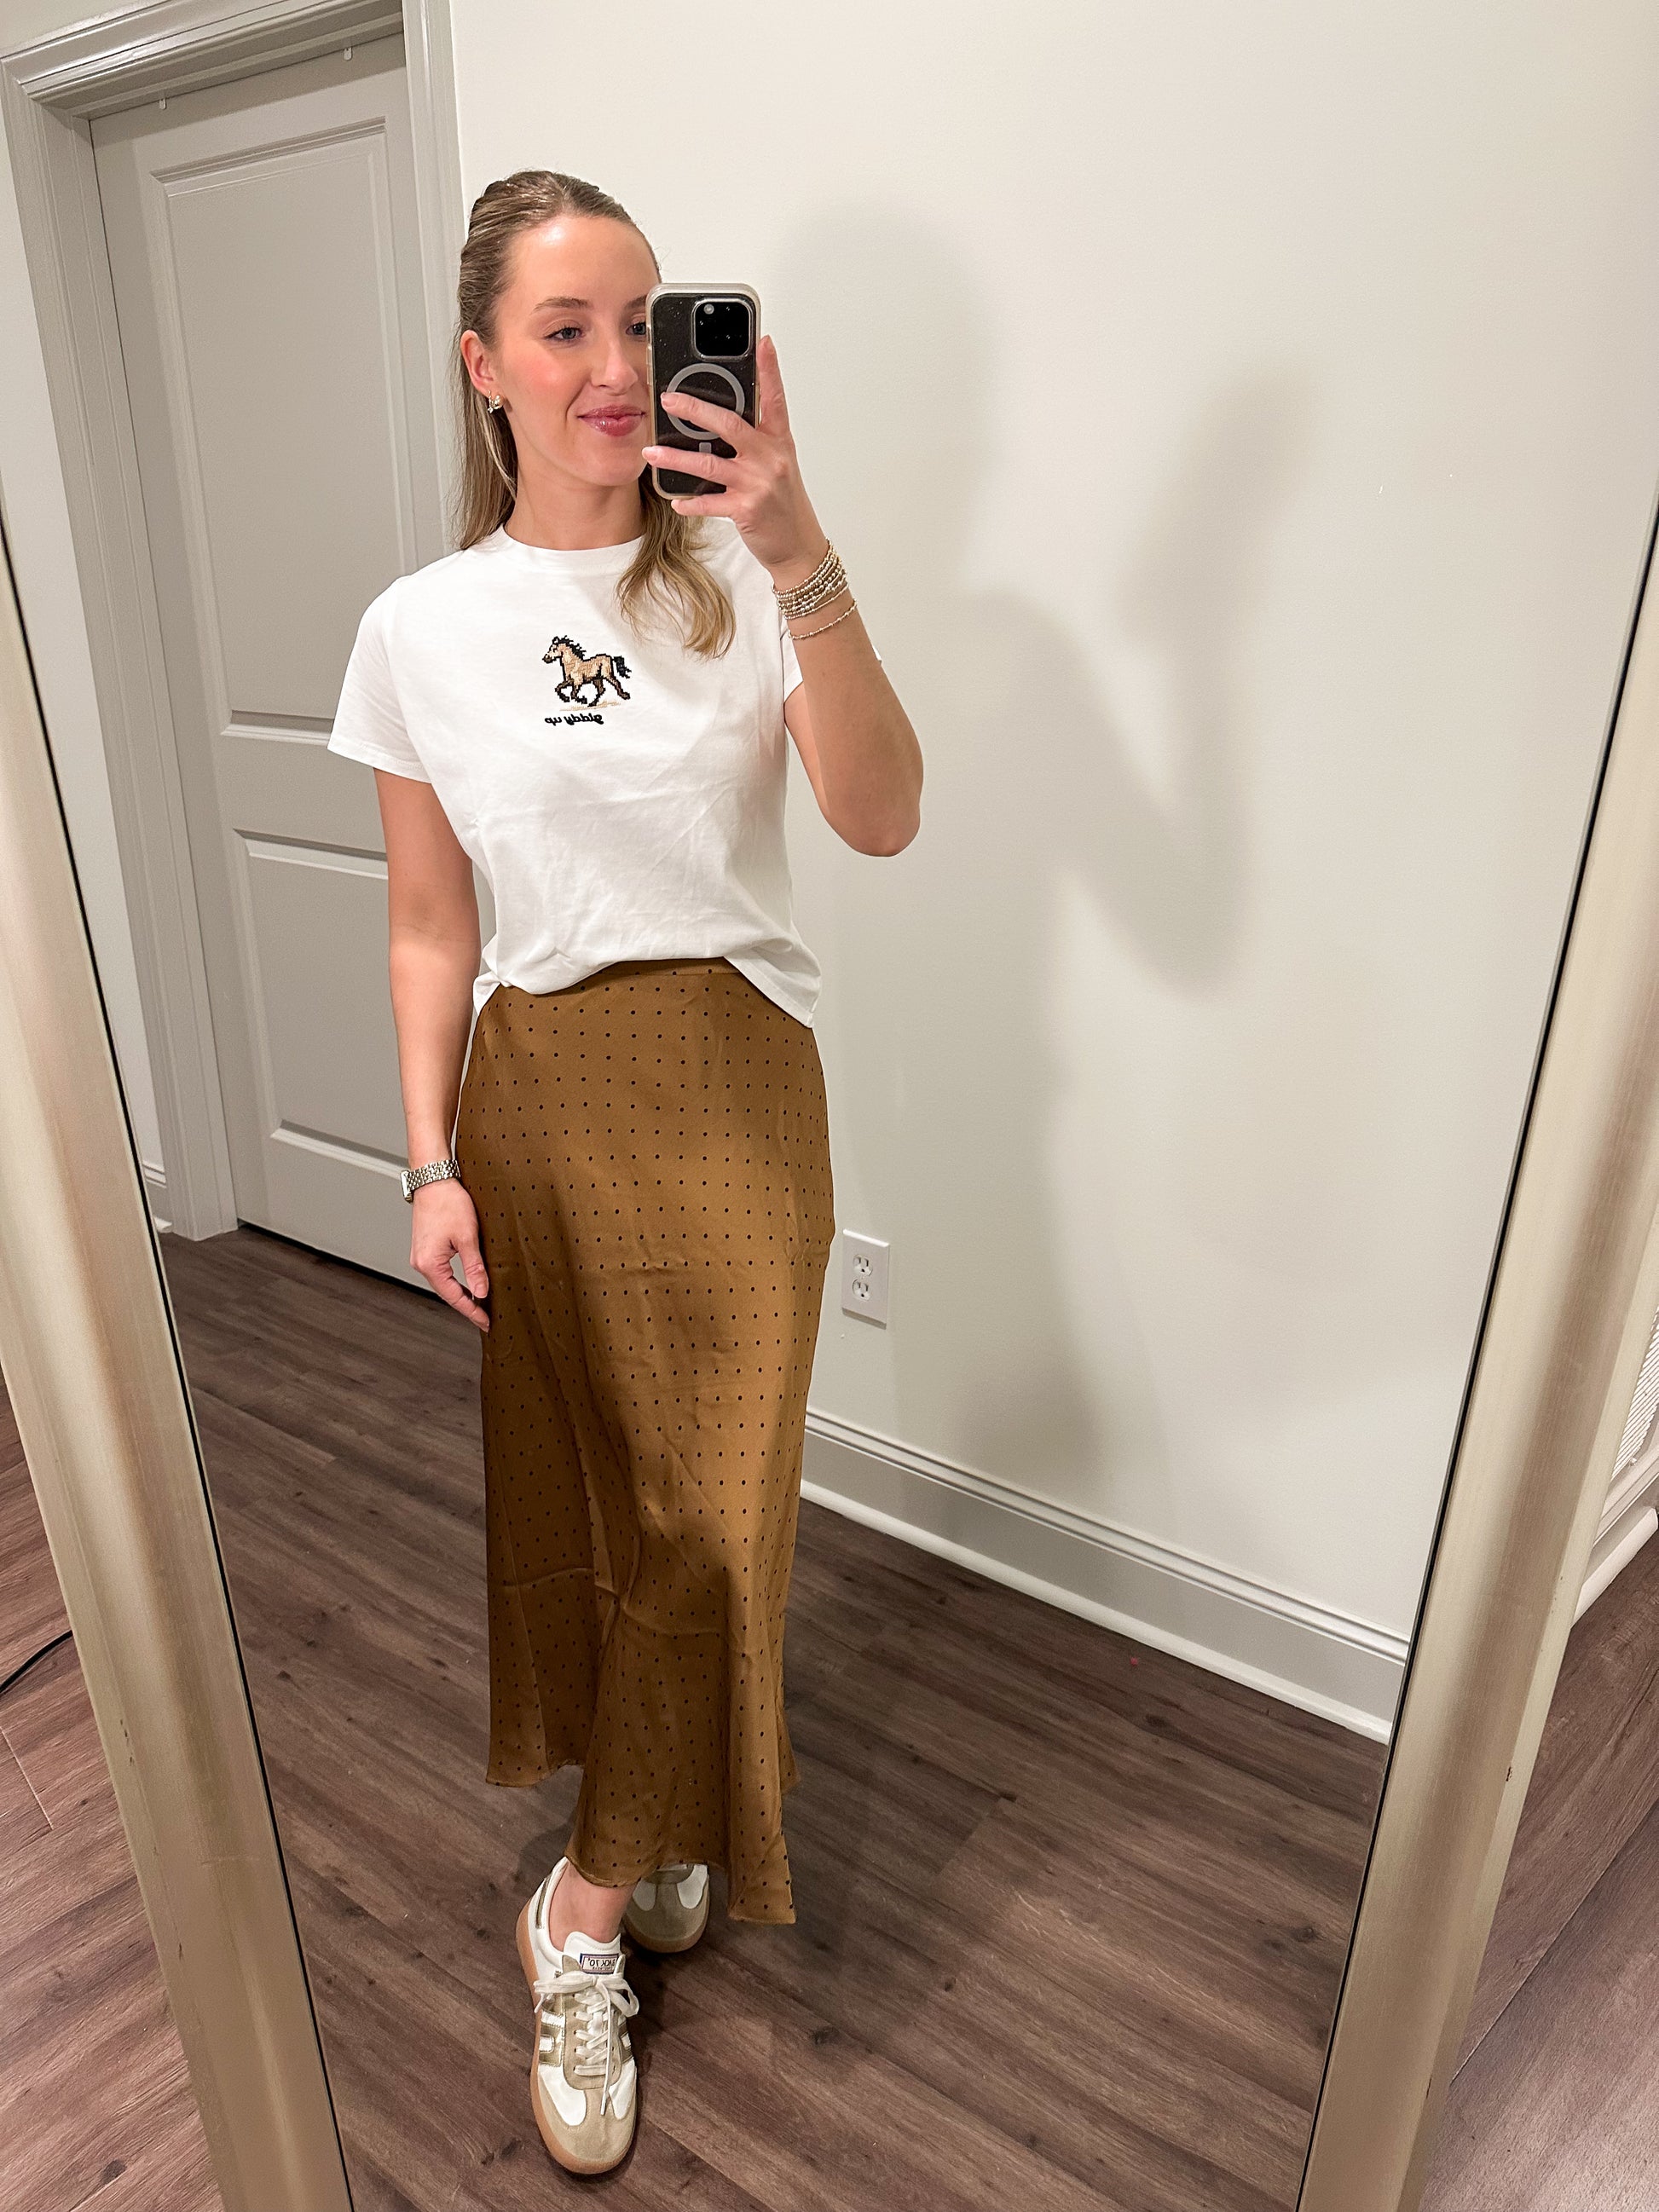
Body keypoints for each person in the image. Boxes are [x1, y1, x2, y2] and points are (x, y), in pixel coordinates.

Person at [325, 169, 922, 2175]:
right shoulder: (421, 629)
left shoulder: (743, 572)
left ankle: (575, 1910)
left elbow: (884, 815)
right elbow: (429, 924)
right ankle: (648, 1828)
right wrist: (426, 1159)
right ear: (481, 363)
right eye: (562, 328)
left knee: (721, 1519)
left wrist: (800, 542)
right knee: (620, 1504)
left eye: (639, 323)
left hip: (742, 1081)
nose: (609, 368)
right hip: (545, 1092)